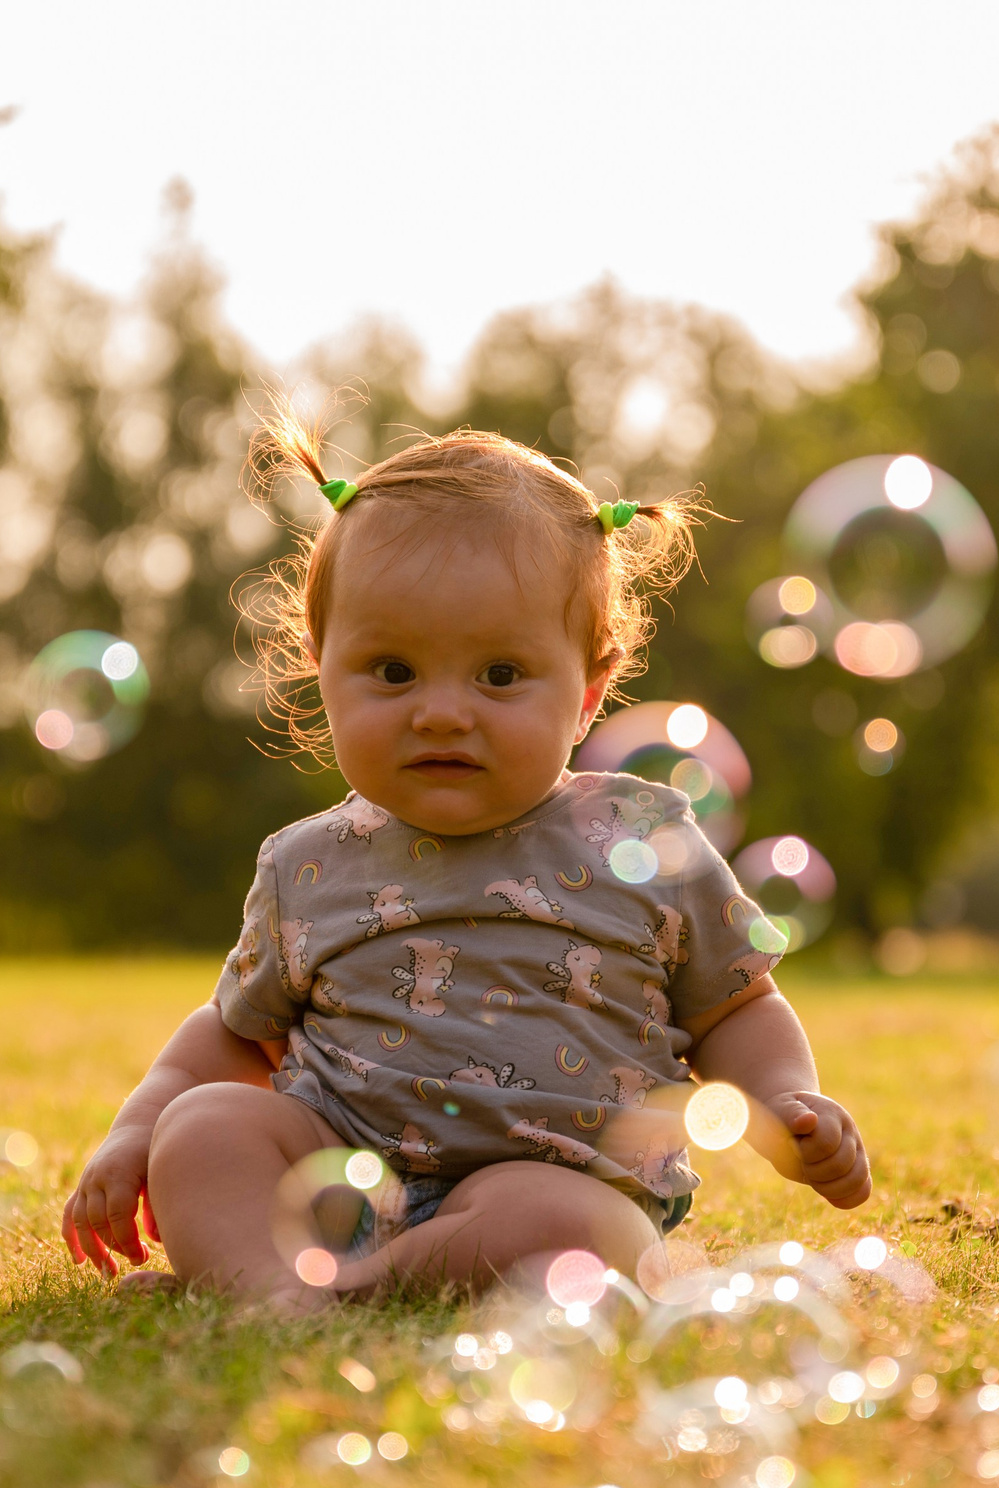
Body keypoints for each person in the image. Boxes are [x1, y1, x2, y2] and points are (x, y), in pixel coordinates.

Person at [61, 416, 870, 1306]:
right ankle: (279, 1286)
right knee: (205, 1126)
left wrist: (789, 1100)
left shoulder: (641, 834)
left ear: (589, 689)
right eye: (394, 670)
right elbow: (232, 1032)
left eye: (498, 675)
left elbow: (737, 1006)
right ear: (320, 667)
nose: (443, 712)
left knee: (584, 1233)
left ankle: (336, 1291)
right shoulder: (307, 862)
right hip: (332, 1178)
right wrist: (136, 1132)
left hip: (551, 1186)